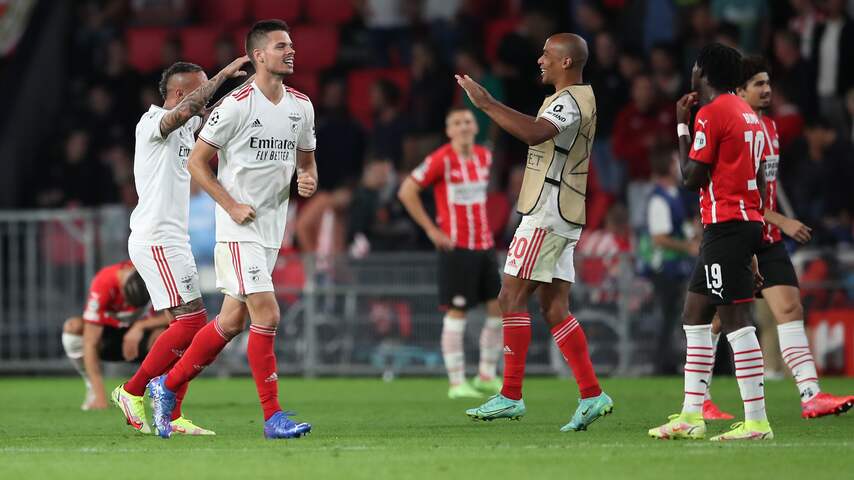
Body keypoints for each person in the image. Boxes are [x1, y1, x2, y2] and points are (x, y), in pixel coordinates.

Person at [147, 20, 318, 440]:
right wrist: (231, 204)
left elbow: (307, 160)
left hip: (272, 229)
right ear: (259, 55)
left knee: (231, 321)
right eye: (281, 46)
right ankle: (273, 416)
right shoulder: (236, 105)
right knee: (268, 312)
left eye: (292, 45)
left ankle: (166, 388)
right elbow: (196, 163)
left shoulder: (302, 106)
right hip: (237, 228)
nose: (291, 51)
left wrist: (308, 177)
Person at [456, 33, 613, 432]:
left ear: (567, 62)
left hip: (547, 212)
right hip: (562, 210)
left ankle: (510, 395)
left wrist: (486, 103)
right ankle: (592, 394)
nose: (540, 59)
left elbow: (534, 133)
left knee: (510, 296)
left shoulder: (570, 101)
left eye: (547, 54)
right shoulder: (578, 98)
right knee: (554, 308)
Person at [702, 55, 854, 420]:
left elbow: (763, 189)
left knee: (790, 309)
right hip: (736, 231)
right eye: (758, 83)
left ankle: (810, 394)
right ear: (739, 90)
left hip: (765, 236)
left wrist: (773, 222)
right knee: (722, 319)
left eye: (768, 83)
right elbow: (737, 191)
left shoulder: (769, 128)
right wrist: (783, 220)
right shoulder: (733, 127)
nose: (767, 89)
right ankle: (699, 398)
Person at [111, 56, 250, 436]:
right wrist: (221, 76)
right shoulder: (152, 122)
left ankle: (170, 413)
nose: (205, 98)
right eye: (200, 88)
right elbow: (191, 108)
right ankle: (132, 390)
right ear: (179, 93)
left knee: (189, 325)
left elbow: (213, 113)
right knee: (191, 322)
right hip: (156, 237)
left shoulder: (188, 126)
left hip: (173, 237)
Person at [649, 43, 772, 441]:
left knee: (736, 322)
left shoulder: (713, 111)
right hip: (740, 223)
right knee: (694, 315)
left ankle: (756, 422)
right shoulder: (748, 114)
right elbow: (758, 177)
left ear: (701, 70)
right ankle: (690, 415)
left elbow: (690, 178)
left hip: (727, 225)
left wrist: (682, 124)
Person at [397, 107, 503, 400]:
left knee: (497, 309)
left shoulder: (484, 156)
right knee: (458, 312)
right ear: (449, 131)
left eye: (467, 121)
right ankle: (457, 382)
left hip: (484, 245)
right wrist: (432, 231)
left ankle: (485, 375)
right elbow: (406, 190)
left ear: (475, 127)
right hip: (456, 248)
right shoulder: (441, 159)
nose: (464, 126)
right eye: (457, 122)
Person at [61, 262, 164, 410]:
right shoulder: (104, 282)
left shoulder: (156, 275)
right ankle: (92, 388)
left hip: (142, 340)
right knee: (73, 327)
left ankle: (160, 392)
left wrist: (139, 326)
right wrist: (101, 397)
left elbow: (176, 317)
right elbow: (90, 341)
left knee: (169, 333)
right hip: (109, 340)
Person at [637, 150, 698, 374]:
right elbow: (659, 237)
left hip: (677, 266)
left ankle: (669, 361)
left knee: (674, 315)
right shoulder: (658, 198)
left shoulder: (675, 194)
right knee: (667, 315)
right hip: (663, 267)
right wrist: (688, 246)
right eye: (675, 162)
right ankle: (662, 365)